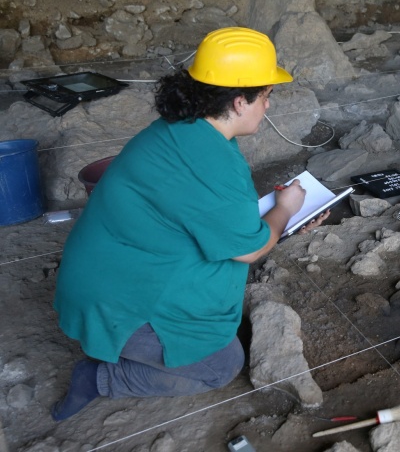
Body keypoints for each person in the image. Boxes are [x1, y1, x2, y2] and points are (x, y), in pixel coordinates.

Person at [50, 27, 328, 421]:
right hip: (114, 299)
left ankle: (123, 343)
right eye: (266, 97)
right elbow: (249, 249)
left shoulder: (182, 130)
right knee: (220, 365)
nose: (267, 107)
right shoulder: (210, 161)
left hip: (107, 273)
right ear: (238, 101)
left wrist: (280, 219)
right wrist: (285, 210)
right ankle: (100, 378)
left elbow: (204, 211)